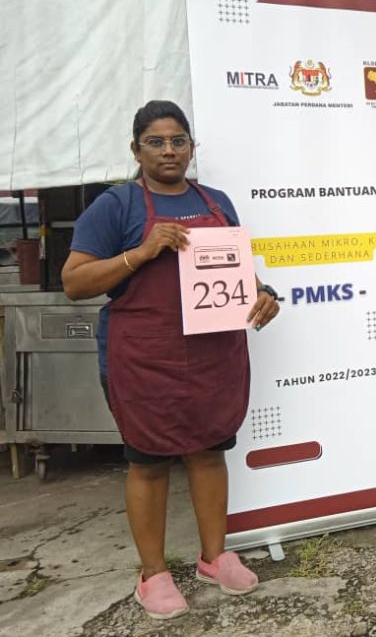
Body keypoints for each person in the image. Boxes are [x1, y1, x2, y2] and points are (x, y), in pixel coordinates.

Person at [62, 100, 281, 620]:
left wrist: (263, 292)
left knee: (209, 451)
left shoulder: (216, 202)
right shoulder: (116, 206)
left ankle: (214, 557)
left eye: (178, 141)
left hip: (213, 355)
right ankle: (153, 574)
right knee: (149, 461)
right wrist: (141, 252)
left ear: (191, 147)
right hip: (145, 357)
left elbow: (236, 271)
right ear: (136, 149)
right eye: (156, 142)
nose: (168, 151)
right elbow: (74, 281)